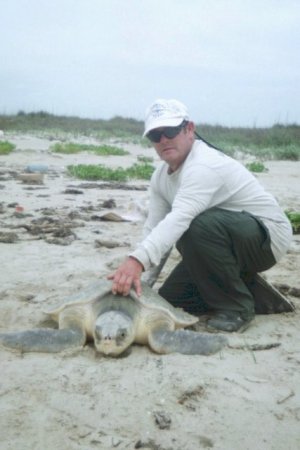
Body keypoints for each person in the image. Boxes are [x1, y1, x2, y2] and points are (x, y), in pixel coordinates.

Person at [108, 99, 293, 332]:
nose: (163, 139)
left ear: (189, 129)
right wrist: (142, 286)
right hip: (222, 239)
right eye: (155, 135)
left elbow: (179, 220)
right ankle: (250, 287)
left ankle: (237, 309)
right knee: (169, 301)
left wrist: (135, 261)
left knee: (195, 226)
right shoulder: (160, 177)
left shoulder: (204, 165)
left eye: (170, 131)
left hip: (267, 238)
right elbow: (154, 229)